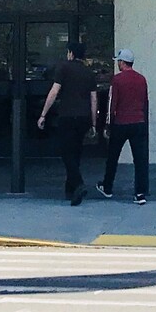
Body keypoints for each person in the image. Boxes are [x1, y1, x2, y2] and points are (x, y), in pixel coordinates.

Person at [36, 40, 99, 206]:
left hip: (67, 116)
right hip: (84, 117)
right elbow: (94, 99)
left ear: (71, 53)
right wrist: (93, 123)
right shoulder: (88, 72)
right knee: (76, 151)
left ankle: (78, 184)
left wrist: (43, 114)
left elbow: (54, 91)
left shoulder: (63, 68)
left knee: (66, 153)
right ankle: (70, 190)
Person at [97, 48, 149, 204]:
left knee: (112, 157)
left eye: (118, 61)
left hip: (121, 123)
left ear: (122, 62)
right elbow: (145, 101)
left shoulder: (117, 79)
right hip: (138, 122)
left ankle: (107, 187)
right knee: (139, 160)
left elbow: (112, 102)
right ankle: (140, 193)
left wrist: (107, 123)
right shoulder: (142, 79)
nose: (118, 64)